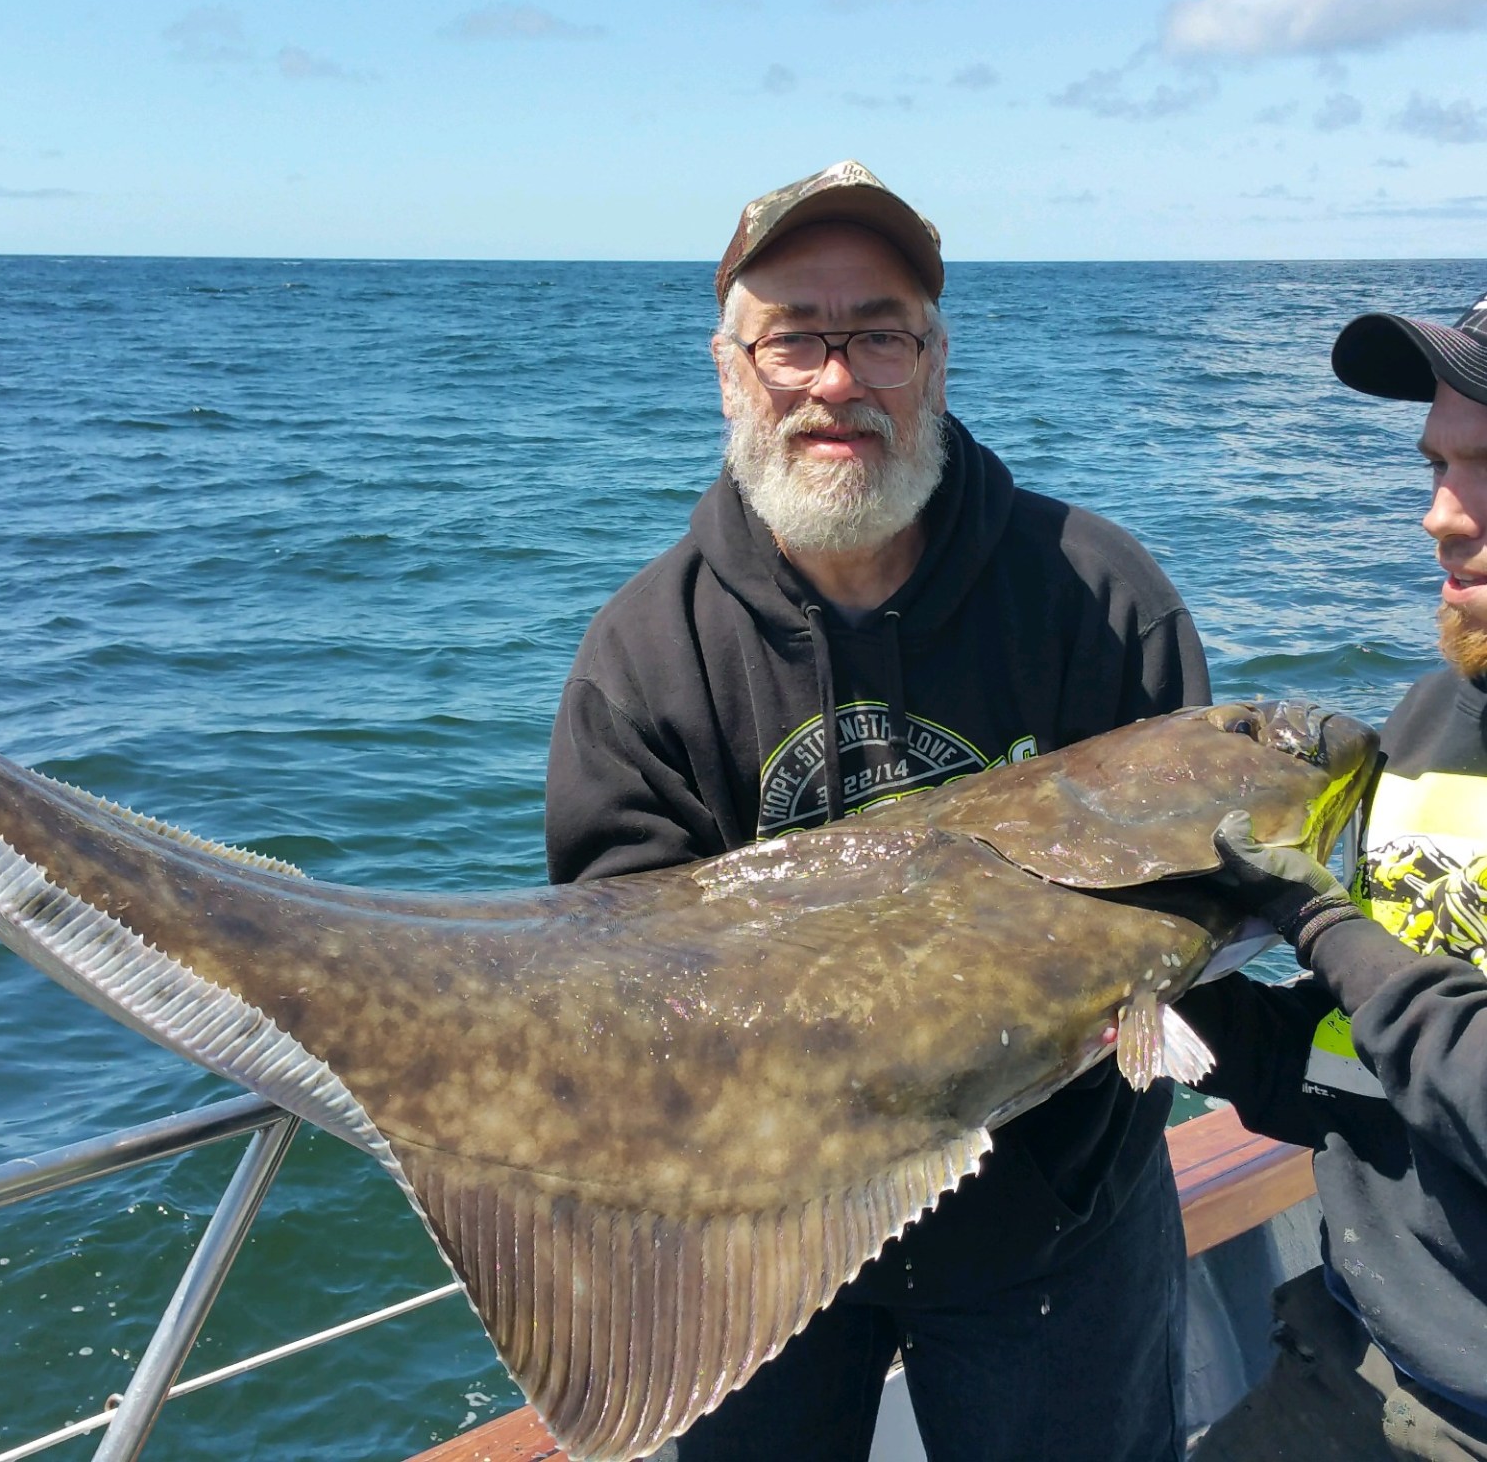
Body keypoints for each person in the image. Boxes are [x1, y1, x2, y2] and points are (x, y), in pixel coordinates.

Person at [544, 160, 1210, 1462]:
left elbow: (1190, 910)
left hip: (1055, 1232)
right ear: (731, 368)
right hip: (757, 1243)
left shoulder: (1106, 600)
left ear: (937, 358)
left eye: (880, 333)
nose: (838, 380)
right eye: (796, 335)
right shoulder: (639, 662)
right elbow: (619, 981)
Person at [1181, 291, 1487, 1461]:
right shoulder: (1423, 723)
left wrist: (1323, 922)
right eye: (1437, 464)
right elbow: (1357, 1069)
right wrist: (1152, 999)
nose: (1441, 517)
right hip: (1357, 1356)